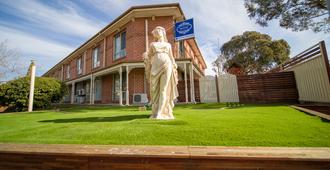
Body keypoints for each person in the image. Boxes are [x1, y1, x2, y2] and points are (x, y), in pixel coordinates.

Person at [143, 26, 178, 120]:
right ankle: (155, 111)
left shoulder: (168, 45)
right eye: (156, 31)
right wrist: (145, 56)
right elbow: (149, 56)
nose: (157, 32)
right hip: (155, 67)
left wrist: (174, 65)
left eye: (159, 30)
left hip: (167, 65)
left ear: (163, 32)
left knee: (164, 90)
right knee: (154, 90)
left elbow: (171, 57)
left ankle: (160, 113)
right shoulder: (152, 44)